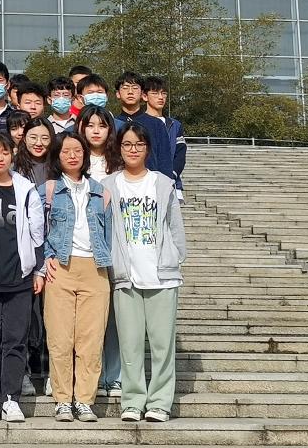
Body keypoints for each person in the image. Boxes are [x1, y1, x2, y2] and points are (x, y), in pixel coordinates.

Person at [103, 123, 186, 424]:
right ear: (119, 148)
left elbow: (175, 227)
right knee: (130, 344)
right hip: (126, 276)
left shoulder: (162, 183)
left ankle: (160, 402)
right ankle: (133, 401)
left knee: (163, 345)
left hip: (162, 276)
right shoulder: (108, 185)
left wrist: (175, 258)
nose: (133, 149)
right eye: (127, 144)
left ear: (148, 149)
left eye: (139, 144)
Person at [37, 131, 113, 423]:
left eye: (77, 151)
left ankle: (84, 400)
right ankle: (62, 400)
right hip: (61, 268)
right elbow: (37, 230)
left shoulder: (101, 191)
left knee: (90, 341)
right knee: (60, 339)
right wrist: (46, 258)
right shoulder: (48, 190)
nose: (72, 155)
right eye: (66, 151)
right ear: (57, 156)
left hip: (95, 269)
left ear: (85, 155)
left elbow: (108, 234)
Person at [0, 132, 45, 423]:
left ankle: (11, 398)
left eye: (4, 152)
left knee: (15, 340)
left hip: (19, 276)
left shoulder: (26, 189)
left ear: (13, 154)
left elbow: (38, 234)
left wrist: (38, 271)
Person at [77, 104, 122, 397]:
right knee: (86, 321)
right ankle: (88, 377)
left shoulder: (118, 164)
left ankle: (113, 375)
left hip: (114, 245)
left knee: (114, 318)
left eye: (102, 125)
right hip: (82, 249)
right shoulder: (72, 159)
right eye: (90, 125)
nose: (95, 131)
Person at [113, 72, 175, 181]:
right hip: (120, 183)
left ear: (142, 93)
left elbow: (165, 161)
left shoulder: (156, 124)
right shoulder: (112, 124)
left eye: (135, 88)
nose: (130, 92)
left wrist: (165, 184)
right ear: (118, 94)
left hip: (151, 183)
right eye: (125, 88)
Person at [142, 76, 187, 201]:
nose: (160, 97)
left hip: (171, 183)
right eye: (155, 93)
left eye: (164, 93)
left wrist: (172, 175)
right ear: (144, 96)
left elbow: (180, 153)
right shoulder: (138, 123)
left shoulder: (175, 125)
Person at [14, 117, 53, 186]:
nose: (39, 143)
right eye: (33, 138)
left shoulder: (57, 164)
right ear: (24, 138)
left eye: (44, 138)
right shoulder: (14, 164)